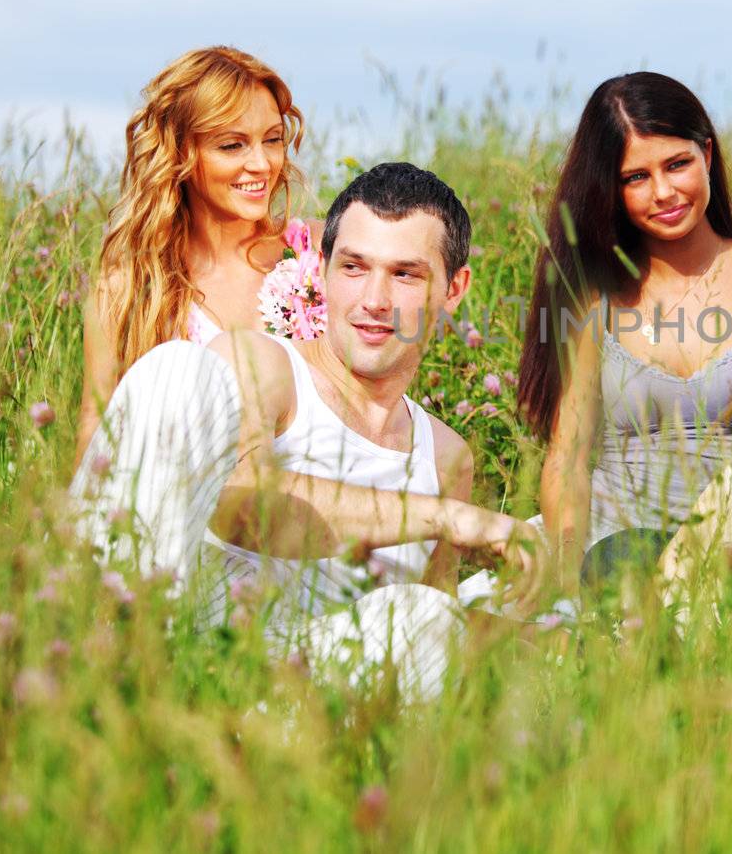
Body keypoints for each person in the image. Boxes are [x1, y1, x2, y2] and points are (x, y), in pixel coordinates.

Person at [73, 163, 541, 699]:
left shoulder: (446, 457)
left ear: (454, 289)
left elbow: (431, 629)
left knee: (438, 609)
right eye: (354, 267)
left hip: (311, 703)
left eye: (405, 274)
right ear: (321, 270)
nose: (374, 300)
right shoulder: (264, 368)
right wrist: (444, 516)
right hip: (194, 656)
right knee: (177, 368)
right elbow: (243, 512)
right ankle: (102, 675)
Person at [516, 72, 732, 592]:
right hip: (610, 553)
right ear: (610, 188)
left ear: (707, 153)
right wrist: (565, 575)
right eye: (636, 177)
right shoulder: (595, 297)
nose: (663, 192)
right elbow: (569, 455)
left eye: (677, 164)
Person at [77, 46, 323, 463]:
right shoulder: (132, 288)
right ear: (180, 153)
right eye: (232, 146)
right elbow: (96, 428)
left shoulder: (316, 253)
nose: (262, 164)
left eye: (273, 140)